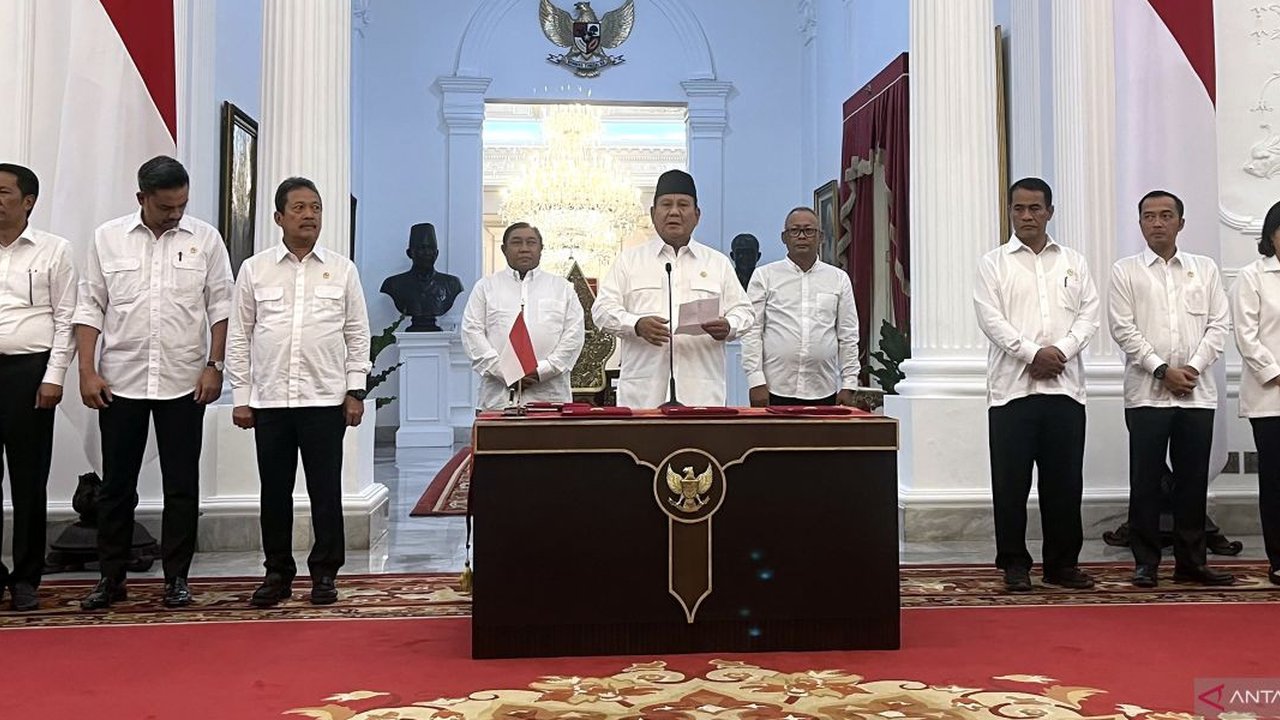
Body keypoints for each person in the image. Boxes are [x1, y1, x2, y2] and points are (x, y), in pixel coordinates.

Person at [75, 156, 234, 610]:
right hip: (119, 380)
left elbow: (221, 306)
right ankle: (111, 578)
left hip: (185, 381)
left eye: (182, 204)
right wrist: (87, 370)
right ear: (141, 198)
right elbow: (90, 307)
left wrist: (214, 365)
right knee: (117, 486)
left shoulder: (205, 239)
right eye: (166, 206)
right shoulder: (108, 239)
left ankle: (177, 579)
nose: (175, 214)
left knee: (181, 485)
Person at [227, 177, 371, 607]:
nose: (309, 215)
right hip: (269, 401)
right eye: (299, 208)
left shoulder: (342, 269)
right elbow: (240, 335)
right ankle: (277, 574)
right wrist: (241, 396)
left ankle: (325, 574)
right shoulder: (255, 269)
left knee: (326, 490)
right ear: (278, 217)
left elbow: (357, 334)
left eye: (316, 208)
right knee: (274, 491)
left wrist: (355, 390)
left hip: (325, 400)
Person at [973, 177, 1100, 592]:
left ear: (1050, 211)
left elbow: (1089, 317)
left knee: (1064, 483)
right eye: (1018, 209)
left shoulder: (1074, 262)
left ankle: (1062, 564)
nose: (1026, 216)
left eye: (1034, 208)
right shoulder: (994, 263)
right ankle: (1013, 563)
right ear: (1009, 211)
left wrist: (1059, 351)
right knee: (1010, 483)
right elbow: (991, 320)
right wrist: (1032, 353)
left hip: (1065, 388)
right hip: (1012, 389)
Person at [1110, 190, 1234, 588]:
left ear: (1181, 222)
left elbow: (1219, 326)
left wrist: (1191, 369)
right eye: (1149, 216)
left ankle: (1192, 562)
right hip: (1146, 394)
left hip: (1196, 393)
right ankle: (1146, 563)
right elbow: (1123, 329)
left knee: (1192, 482)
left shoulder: (1206, 269)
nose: (1157, 223)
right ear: (1140, 223)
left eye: (1166, 216)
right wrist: (1163, 370)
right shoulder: (1125, 271)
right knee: (1145, 483)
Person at [592, 170, 753, 407]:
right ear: (653, 213)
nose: (674, 212)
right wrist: (635, 325)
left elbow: (745, 312)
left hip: (701, 393)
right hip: (643, 395)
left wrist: (729, 326)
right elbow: (602, 311)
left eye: (683, 205)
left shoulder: (717, 263)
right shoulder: (629, 261)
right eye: (666, 204)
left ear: (697, 215)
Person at [0, 163, 77, 611]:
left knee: (29, 481)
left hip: (30, 375)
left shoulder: (54, 250)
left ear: (28, 201)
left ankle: (27, 577)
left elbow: (67, 317)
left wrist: (54, 377)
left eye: (4, 192)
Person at [742, 207, 859, 407]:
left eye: (809, 230)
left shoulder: (838, 279)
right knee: (772, 440)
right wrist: (755, 380)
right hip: (773, 388)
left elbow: (848, 334)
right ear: (784, 237)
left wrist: (849, 383)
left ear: (821, 236)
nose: (802, 236)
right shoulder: (765, 276)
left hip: (823, 388)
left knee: (821, 440)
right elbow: (752, 331)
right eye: (795, 231)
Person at [460, 222, 584, 410]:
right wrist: (504, 372)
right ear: (504, 249)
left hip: (550, 397)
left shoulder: (562, 288)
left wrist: (541, 371)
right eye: (517, 243)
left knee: (551, 441)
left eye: (531, 242)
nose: (524, 249)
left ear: (541, 249)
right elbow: (472, 333)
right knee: (498, 441)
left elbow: (573, 337)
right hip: (497, 399)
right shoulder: (486, 287)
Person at [1230, 199, 1280, 586]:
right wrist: (1277, 373)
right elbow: (1246, 337)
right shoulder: (1253, 276)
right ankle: (1278, 558)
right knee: (1276, 482)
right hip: (1271, 397)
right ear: (1270, 236)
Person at [380, 222, 464, 331]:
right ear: (410, 253)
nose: (427, 253)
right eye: (422, 248)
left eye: (431, 248)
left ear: (437, 253)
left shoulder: (452, 284)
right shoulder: (393, 284)